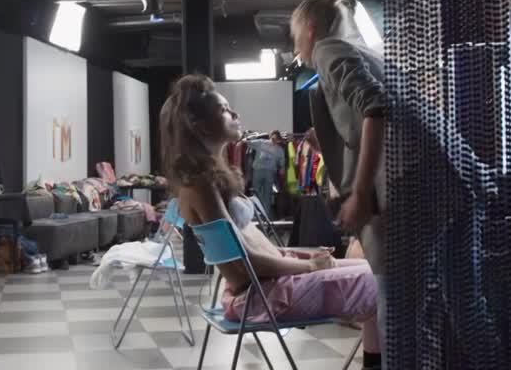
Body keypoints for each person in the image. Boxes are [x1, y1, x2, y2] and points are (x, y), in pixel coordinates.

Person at [160, 75, 382, 370]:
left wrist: (303, 257)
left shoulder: (207, 180)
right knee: (384, 282)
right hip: (262, 297)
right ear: (201, 127)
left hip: (265, 287)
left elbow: (251, 253)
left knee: (377, 269)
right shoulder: (202, 185)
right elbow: (247, 261)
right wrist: (309, 267)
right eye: (224, 110)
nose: (235, 113)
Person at [291, 0, 389, 366]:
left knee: (392, 299)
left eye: (295, 35)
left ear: (310, 29)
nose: (296, 46)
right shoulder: (361, 51)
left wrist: (359, 193)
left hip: (396, 193)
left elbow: (375, 107)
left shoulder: (327, 50)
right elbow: (366, 120)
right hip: (435, 187)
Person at [247, 130, 285, 219]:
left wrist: (282, 168)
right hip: (260, 170)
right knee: (259, 191)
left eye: (276, 139)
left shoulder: (278, 149)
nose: (274, 140)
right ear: (270, 136)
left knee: (265, 192)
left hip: (268, 171)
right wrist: (253, 136)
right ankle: (262, 212)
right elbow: (248, 143)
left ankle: (264, 213)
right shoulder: (261, 142)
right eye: (274, 138)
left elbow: (282, 161)